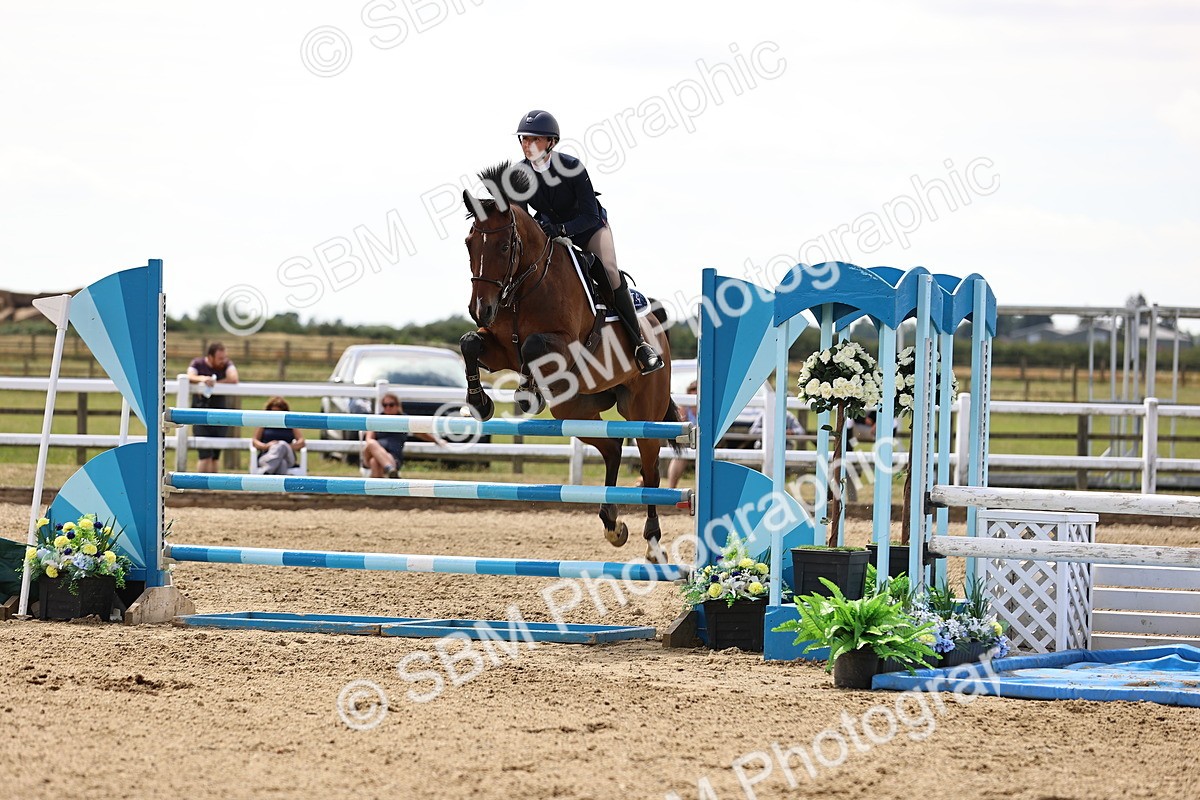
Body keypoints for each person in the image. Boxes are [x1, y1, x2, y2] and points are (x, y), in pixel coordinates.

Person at [512, 109, 664, 376]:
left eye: (535, 139)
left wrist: (561, 228)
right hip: (549, 231)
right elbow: (522, 218)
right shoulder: (519, 175)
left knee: (610, 271)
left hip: (589, 228)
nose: (528, 144)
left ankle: (640, 345)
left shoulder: (572, 167)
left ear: (551, 143)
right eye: (524, 139)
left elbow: (589, 215)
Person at [187, 342, 239, 473]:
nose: (223, 361)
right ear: (210, 356)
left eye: (224, 358)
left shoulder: (226, 364)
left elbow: (233, 378)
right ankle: (201, 488)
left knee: (215, 456)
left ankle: (212, 490)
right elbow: (189, 376)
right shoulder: (197, 363)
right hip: (200, 414)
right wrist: (202, 379)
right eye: (220, 358)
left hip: (220, 415)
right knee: (205, 455)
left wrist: (214, 384)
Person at [362, 393, 439, 478]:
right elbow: (368, 439)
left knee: (375, 462)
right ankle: (389, 469)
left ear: (397, 405)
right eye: (385, 405)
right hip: (370, 454)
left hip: (392, 456)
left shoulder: (404, 420)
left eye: (391, 405)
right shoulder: (377, 419)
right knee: (372, 444)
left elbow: (420, 433)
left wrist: (437, 440)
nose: (387, 408)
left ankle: (378, 488)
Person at [252, 397, 305, 475]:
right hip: (267, 456)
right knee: (282, 463)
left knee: (281, 445)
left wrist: (285, 446)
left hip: (287, 456)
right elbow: (255, 441)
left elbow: (301, 442)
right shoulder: (264, 423)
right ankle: (275, 484)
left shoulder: (290, 424)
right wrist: (267, 446)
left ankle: (267, 471)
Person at [666, 381, 699, 489]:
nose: (694, 392)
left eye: (696, 389)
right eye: (692, 390)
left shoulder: (707, 407)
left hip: (701, 440)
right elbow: (680, 427)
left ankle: (702, 490)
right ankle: (672, 488)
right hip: (687, 440)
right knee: (679, 456)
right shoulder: (684, 407)